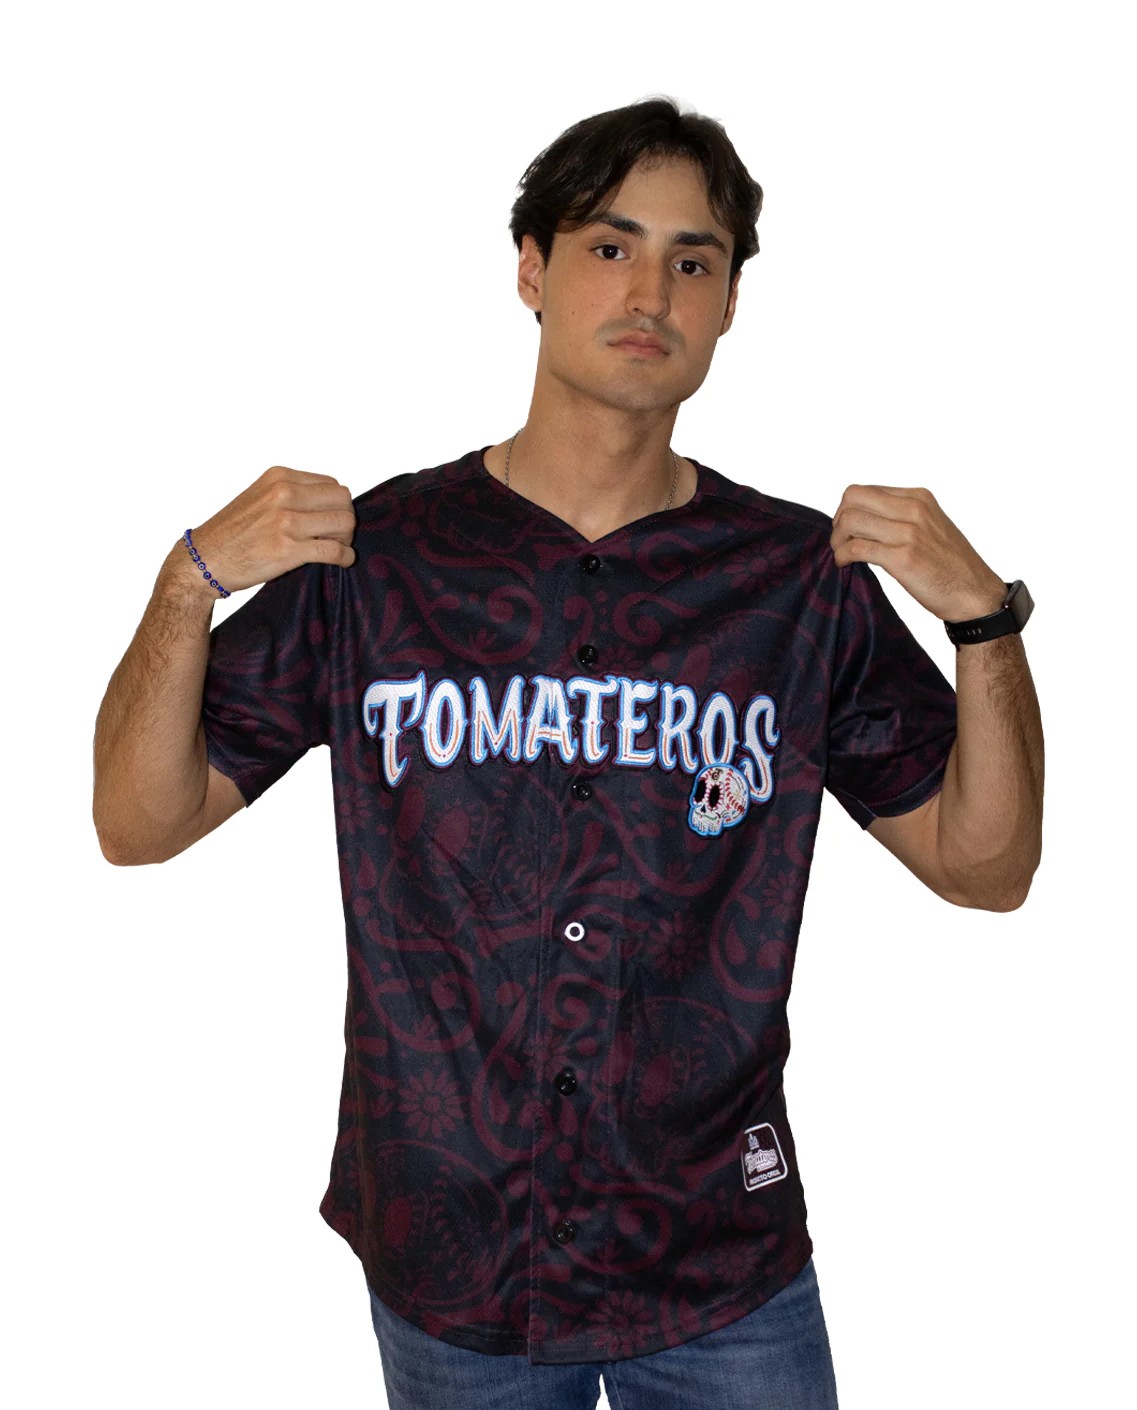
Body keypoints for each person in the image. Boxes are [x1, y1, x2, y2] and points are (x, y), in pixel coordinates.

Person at [93, 97, 1044, 1410]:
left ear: (728, 304)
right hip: (450, 1239)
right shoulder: (376, 560)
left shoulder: (795, 581)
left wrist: (983, 623)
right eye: (609, 246)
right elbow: (138, 822)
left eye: (693, 260)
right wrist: (185, 584)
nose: (650, 292)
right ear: (530, 271)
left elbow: (984, 868)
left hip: (715, 1247)